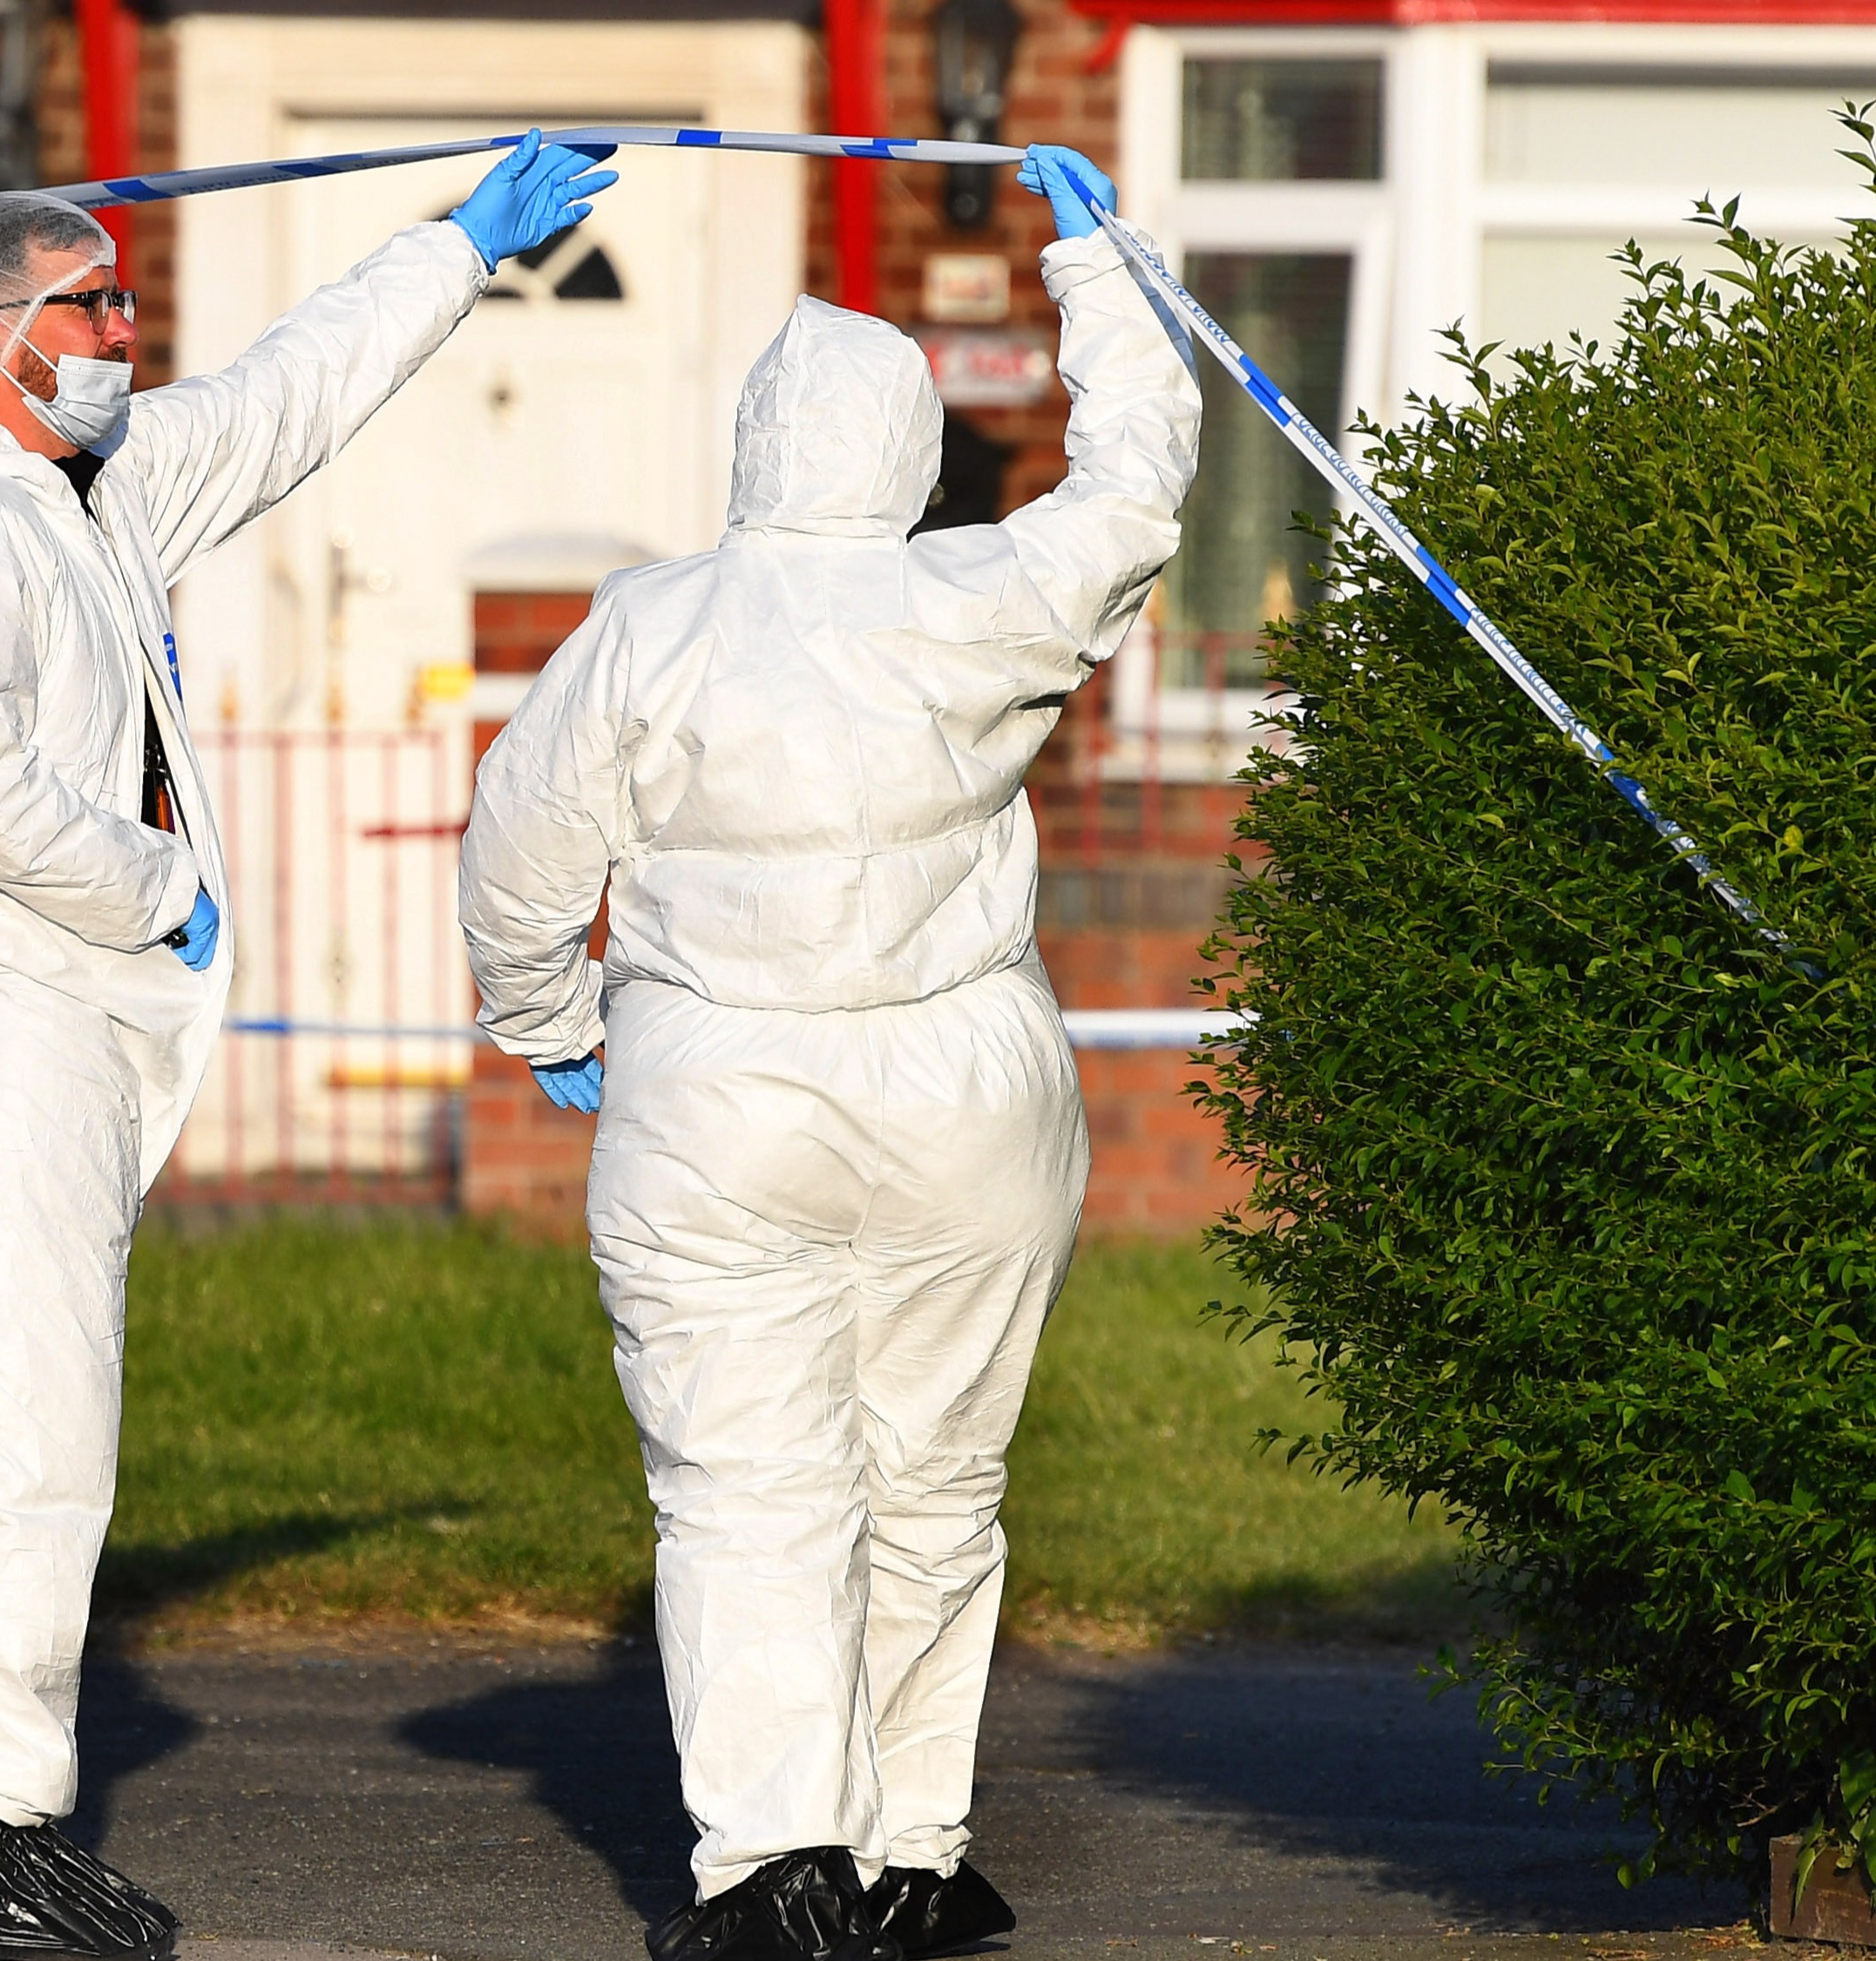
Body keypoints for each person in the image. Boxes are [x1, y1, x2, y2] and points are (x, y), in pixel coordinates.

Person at [0, 132, 616, 1961]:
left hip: (47, 1030)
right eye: (92, 299)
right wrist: (158, 886)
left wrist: (455, 251)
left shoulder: (79, 499)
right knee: (12, 1443)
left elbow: (284, 400)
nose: (128, 322)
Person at [456, 146, 1200, 1961]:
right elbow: (1140, 473)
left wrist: (550, 1022)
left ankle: (781, 1861)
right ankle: (911, 1851)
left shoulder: (650, 621)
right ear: (909, 454)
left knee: (745, 1484)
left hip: (721, 1083)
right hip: (965, 1079)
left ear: (752, 451)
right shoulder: (973, 597)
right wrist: (1100, 271)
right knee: (935, 1473)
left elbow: (518, 858)